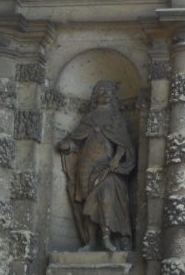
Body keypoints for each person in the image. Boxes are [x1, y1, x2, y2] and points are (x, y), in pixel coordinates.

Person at [57, 80, 135, 252]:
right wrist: (68, 145)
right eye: (101, 90)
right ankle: (91, 242)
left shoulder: (116, 117)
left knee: (105, 198)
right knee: (87, 204)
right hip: (86, 166)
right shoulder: (90, 118)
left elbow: (123, 142)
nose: (105, 93)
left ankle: (107, 240)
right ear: (95, 96)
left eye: (108, 90)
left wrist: (117, 158)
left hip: (107, 167)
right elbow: (77, 138)